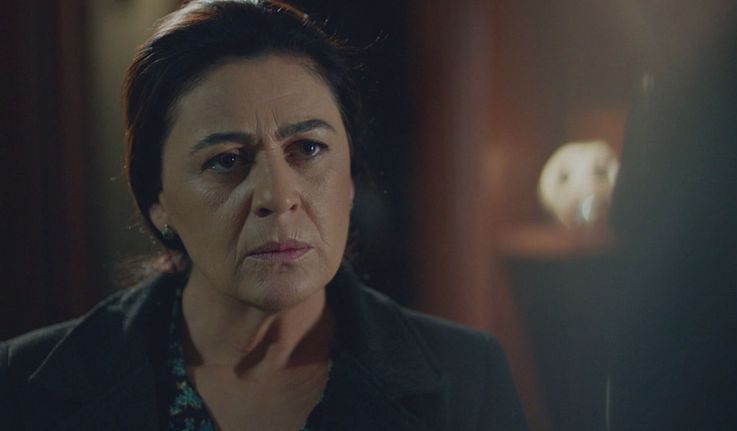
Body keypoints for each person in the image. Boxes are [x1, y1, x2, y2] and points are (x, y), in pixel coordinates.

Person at [0, 1, 527, 430]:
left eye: (308, 149)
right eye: (226, 161)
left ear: (349, 180)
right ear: (158, 200)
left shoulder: (467, 377)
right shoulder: (23, 386)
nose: (278, 195)